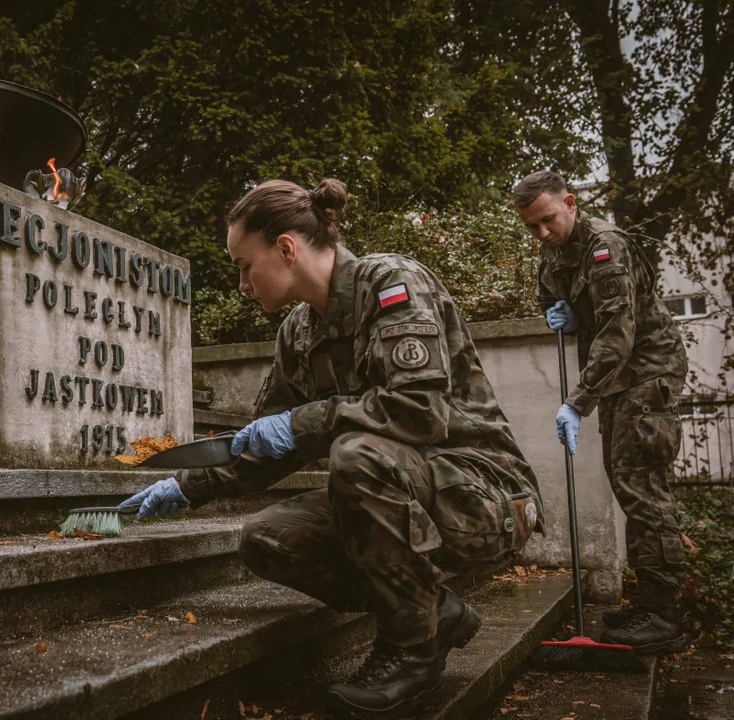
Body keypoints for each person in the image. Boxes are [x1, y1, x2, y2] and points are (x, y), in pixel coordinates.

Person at [122, 178, 544, 718]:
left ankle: (412, 651)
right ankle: (433, 612)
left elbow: (419, 410)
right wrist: (186, 484)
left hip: (484, 496)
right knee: (268, 539)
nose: (242, 284)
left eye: (243, 265)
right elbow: (266, 442)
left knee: (355, 453)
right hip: (403, 486)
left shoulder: (393, 283)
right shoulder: (298, 333)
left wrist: (305, 421)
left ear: (286, 248)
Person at [513, 170, 689, 654]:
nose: (543, 233)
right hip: (616, 381)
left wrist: (577, 401)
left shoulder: (606, 246)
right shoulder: (553, 248)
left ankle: (666, 615)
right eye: (532, 227)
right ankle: (652, 600)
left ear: (569, 202)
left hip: (646, 373)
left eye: (548, 220)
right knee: (627, 481)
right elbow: (551, 294)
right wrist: (558, 310)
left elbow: (617, 334)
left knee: (642, 486)